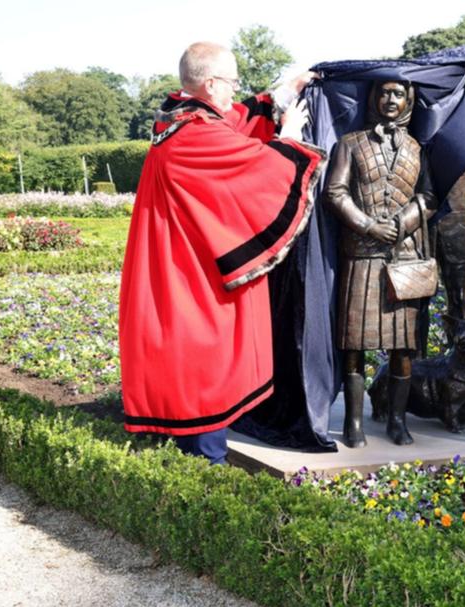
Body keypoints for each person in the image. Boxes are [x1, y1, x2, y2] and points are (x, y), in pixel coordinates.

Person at [119, 42, 325, 464]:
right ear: (210, 83)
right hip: (189, 277)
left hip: (176, 265)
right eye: (231, 82)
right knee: (203, 374)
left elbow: (231, 123)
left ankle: (190, 463)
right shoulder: (194, 136)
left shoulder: (182, 118)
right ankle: (204, 472)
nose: (235, 90)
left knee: (190, 375)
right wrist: (289, 139)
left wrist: (282, 94)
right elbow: (254, 165)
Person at [325, 80, 437, 448]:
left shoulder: (417, 147)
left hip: (402, 259)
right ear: (374, 97)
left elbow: (428, 196)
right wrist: (369, 225)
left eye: (399, 94)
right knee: (354, 343)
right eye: (385, 93)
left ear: (409, 100)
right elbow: (335, 192)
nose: (391, 100)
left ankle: (397, 421)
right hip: (360, 255)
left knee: (403, 347)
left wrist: (403, 224)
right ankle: (353, 423)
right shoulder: (350, 143)